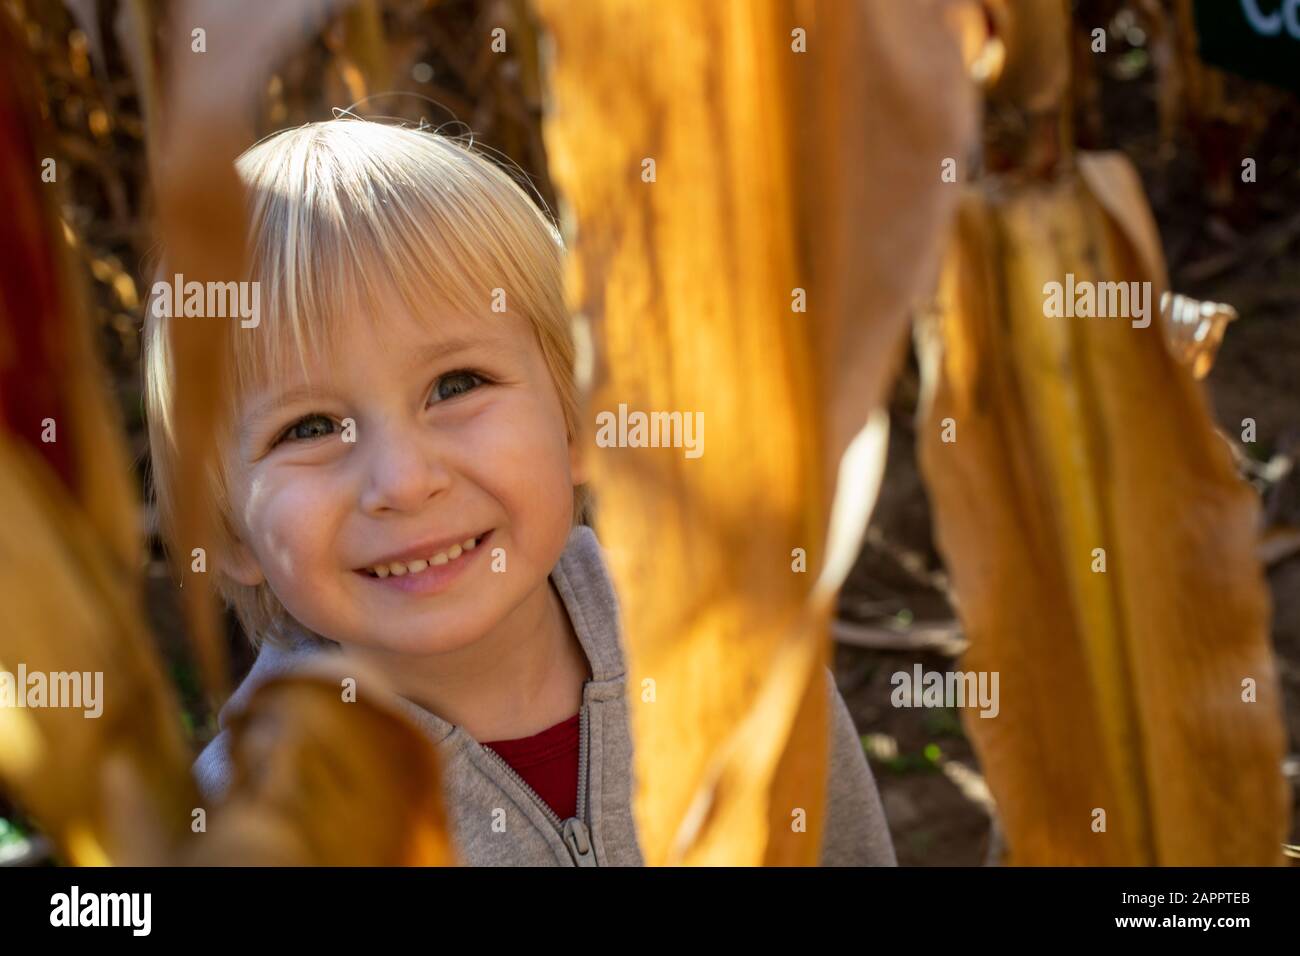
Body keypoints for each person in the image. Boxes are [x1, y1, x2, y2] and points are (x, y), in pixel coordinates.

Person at [143, 118, 896, 866]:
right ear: (230, 533)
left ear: (576, 422)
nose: (404, 482)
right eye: (307, 429)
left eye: (456, 385)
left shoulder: (734, 655)